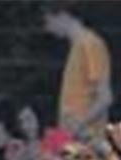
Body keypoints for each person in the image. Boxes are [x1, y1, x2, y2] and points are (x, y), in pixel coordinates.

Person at [42, 2, 113, 142]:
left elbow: (105, 98)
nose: (47, 28)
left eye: (47, 21)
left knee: (45, 156)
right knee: (43, 155)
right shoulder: (77, 46)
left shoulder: (90, 44)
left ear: (62, 15)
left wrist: (77, 127)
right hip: (74, 139)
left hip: (86, 140)